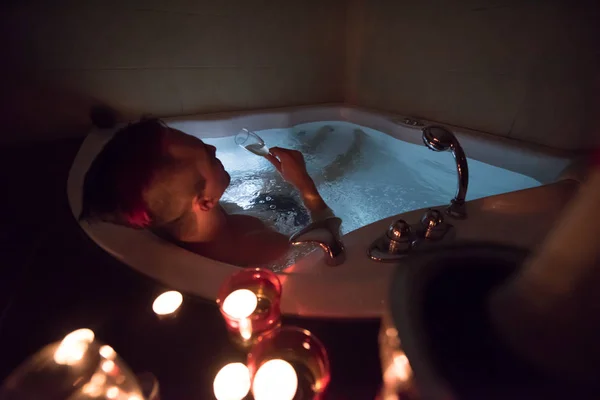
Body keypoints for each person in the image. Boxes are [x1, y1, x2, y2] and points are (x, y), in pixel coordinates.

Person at [80, 118, 332, 267]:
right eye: (209, 158)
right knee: (332, 173)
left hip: (253, 213)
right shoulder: (264, 249)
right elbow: (330, 248)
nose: (213, 147)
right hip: (286, 225)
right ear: (205, 201)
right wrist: (305, 185)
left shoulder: (164, 215)